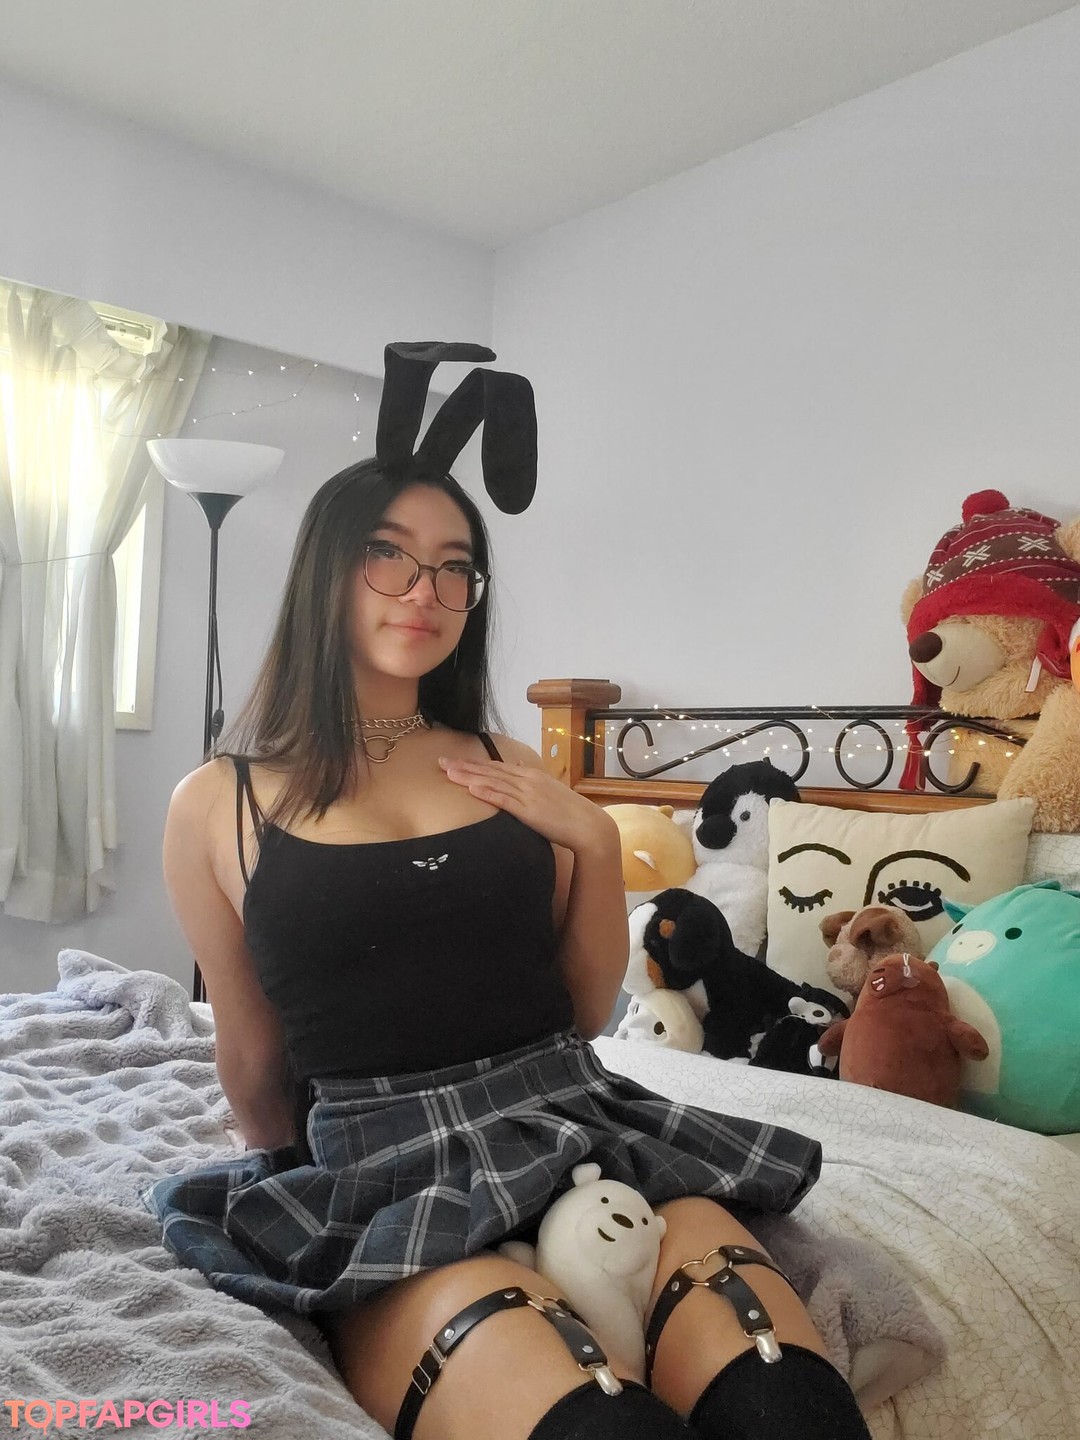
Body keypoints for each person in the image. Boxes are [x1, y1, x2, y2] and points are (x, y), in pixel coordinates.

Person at [147, 344, 871, 1440]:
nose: (425, 591)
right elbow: (251, 1059)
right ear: (326, 570)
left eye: (454, 568)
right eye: (388, 557)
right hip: (384, 1165)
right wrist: (307, 1193)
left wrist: (591, 838)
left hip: (578, 1116)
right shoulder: (217, 802)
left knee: (786, 1403)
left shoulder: (507, 760)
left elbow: (580, 1012)